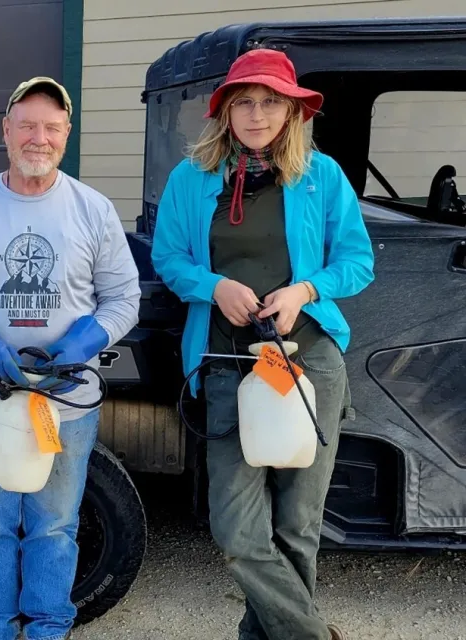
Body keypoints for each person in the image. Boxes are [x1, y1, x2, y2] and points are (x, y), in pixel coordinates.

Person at [150, 49, 374, 640]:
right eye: (244, 102)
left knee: (298, 525)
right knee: (236, 528)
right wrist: (213, 285)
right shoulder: (190, 178)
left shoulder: (321, 175)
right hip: (229, 364)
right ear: (224, 111)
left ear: (291, 110)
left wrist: (305, 289)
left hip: (308, 363)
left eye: (270, 101)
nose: (256, 114)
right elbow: (168, 257)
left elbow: (358, 262)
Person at [0, 77, 140, 640]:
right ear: (6, 131)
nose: (37, 138)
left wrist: (85, 342)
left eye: (51, 127)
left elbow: (124, 297)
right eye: (27, 125)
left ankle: (48, 625)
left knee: (56, 525)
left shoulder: (92, 210)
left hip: (65, 402)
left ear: (66, 134)